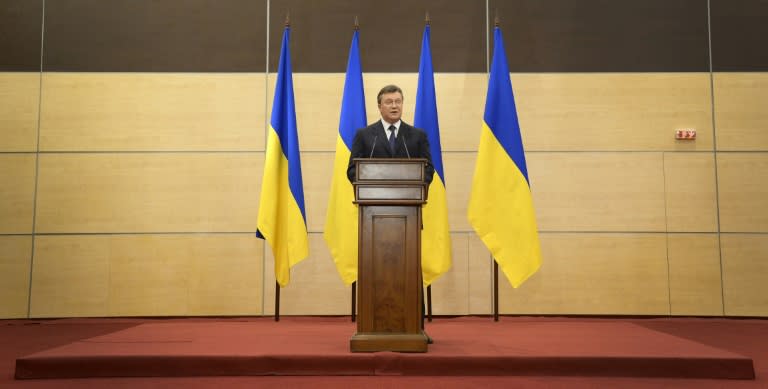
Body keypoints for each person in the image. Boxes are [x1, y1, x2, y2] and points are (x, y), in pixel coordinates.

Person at [346, 84, 434, 185]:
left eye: (398, 102)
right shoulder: (363, 135)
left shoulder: (418, 135)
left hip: (408, 196)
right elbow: (352, 170)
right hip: (373, 195)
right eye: (389, 102)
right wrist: (372, 183)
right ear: (380, 107)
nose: (394, 106)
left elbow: (429, 169)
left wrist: (413, 184)